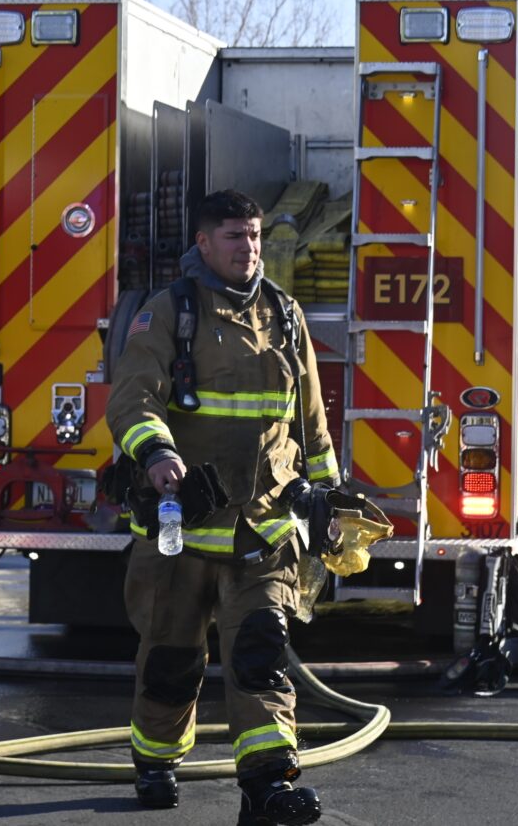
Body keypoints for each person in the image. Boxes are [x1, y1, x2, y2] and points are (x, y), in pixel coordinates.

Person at [106, 189, 339, 825]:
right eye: (235, 236)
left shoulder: (284, 314)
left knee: (261, 657)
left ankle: (269, 785)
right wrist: (155, 452)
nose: (249, 248)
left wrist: (328, 498)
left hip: (263, 530)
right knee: (171, 662)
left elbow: (310, 423)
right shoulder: (169, 312)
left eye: (255, 235)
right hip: (182, 533)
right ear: (204, 243)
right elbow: (133, 397)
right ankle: (156, 761)